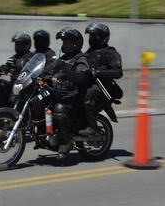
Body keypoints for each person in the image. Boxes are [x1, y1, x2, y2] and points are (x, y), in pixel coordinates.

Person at [51, 26, 91, 160]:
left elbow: (82, 77)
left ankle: (66, 142)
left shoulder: (81, 59)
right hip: (60, 93)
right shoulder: (62, 58)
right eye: (63, 42)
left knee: (59, 109)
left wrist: (66, 72)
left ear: (75, 43)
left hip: (74, 96)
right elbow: (49, 70)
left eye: (67, 42)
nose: (64, 45)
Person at [79, 22, 123, 136]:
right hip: (89, 84)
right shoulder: (89, 52)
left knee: (88, 94)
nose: (92, 38)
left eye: (95, 36)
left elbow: (118, 72)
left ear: (103, 37)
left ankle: (93, 128)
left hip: (103, 88)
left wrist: (98, 72)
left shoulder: (110, 52)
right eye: (91, 36)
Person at [0, 31, 34, 109]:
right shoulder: (13, 58)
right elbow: (6, 68)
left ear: (27, 44)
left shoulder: (32, 57)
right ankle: (0, 116)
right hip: (13, 86)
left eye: (19, 44)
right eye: (16, 44)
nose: (17, 47)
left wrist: (18, 68)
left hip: (24, 88)